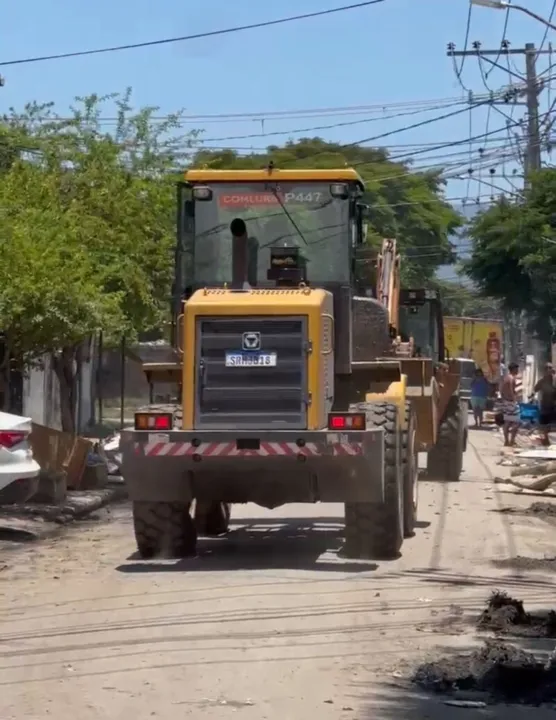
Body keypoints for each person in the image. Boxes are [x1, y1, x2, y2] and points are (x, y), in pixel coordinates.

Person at [534, 363, 556, 447]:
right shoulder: (542, 381)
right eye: (547, 368)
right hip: (545, 405)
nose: (549, 370)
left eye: (550, 368)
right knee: (544, 424)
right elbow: (535, 389)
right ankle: (546, 440)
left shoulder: (554, 379)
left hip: (554, 405)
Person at [500, 362, 521, 447]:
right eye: (517, 369)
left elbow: (501, 390)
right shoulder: (511, 378)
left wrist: (504, 399)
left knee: (507, 422)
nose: (518, 371)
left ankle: (507, 441)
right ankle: (511, 440)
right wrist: (514, 400)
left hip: (506, 402)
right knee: (516, 422)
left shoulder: (506, 378)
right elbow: (511, 391)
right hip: (511, 402)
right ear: (513, 369)